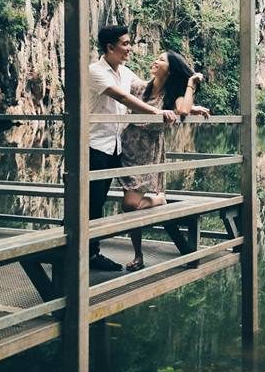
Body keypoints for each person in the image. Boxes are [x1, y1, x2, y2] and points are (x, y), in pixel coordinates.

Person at [87, 25, 178, 271]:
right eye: (125, 44)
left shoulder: (125, 72)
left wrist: (189, 106)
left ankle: (91, 252)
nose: (129, 48)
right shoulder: (95, 71)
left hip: (118, 147)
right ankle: (85, 254)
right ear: (110, 47)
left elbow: (149, 88)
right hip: (95, 146)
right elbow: (125, 99)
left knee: (125, 200)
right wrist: (158, 112)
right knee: (89, 203)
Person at [120, 50, 207, 272]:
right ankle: (138, 255)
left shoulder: (172, 94)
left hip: (149, 152)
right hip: (128, 148)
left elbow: (183, 109)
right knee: (130, 208)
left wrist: (190, 84)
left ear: (170, 69)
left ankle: (157, 200)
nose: (155, 61)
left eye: (160, 59)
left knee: (130, 205)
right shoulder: (140, 87)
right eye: (156, 57)